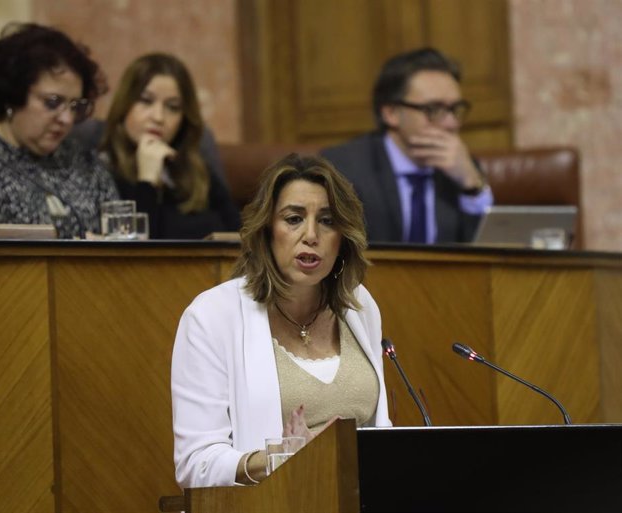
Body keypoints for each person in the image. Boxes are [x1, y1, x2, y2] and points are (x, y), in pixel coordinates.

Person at [171, 153, 392, 488]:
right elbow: (195, 464)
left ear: (343, 237)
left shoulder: (359, 305)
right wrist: (285, 457)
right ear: (266, 230)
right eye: (293, 219)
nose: (311, 235)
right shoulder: (212, 316)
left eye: (328, 221)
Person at [0, 22, 119, 238]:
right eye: (52, 102)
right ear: (14, 95)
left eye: (75, 106)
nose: (67, 118)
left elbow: (117, 231)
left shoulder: (81, 158)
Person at [321, 47, 493, 244]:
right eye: (433, 109)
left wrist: (471, 185)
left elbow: (484, 255)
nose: (451, 123)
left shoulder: (462, 169)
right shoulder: (343, 169)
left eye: (455, 109)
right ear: (391, 113)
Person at [100, 53, 240, 239]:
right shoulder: (101, 171)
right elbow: (134, 255)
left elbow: (242, 237)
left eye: (172, 107)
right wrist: (147, 181)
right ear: (124, 105)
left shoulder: (196, 169)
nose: (158, 117)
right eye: (146, 101)